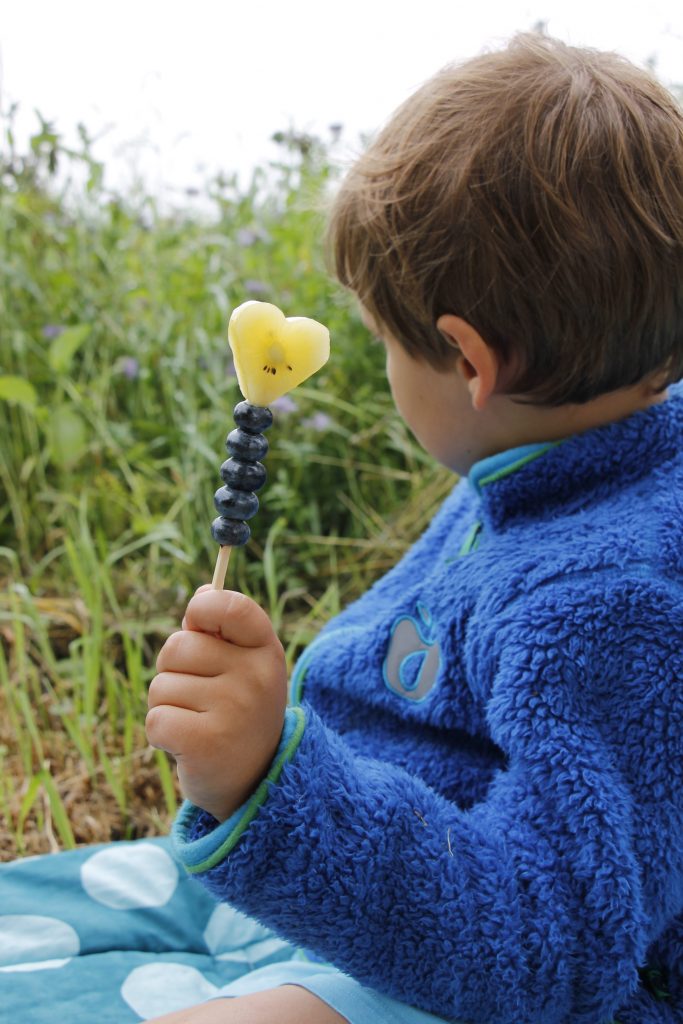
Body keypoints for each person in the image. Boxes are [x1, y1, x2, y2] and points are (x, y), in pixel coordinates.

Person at [145, 33, 683, 1024]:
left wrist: (271, 778)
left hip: (537, 980)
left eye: (389, 342)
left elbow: (547, 948)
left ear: (468, 361)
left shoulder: (610, 602)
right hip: (424, 883)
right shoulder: (584, 449)